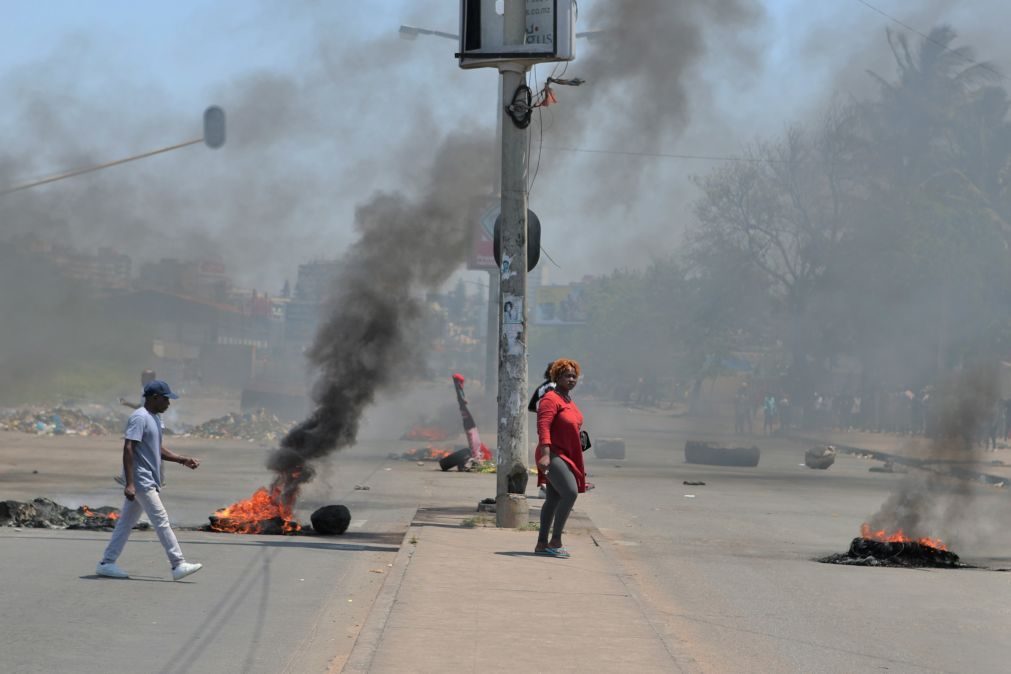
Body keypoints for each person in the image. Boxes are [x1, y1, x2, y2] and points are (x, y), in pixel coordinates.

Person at [96, 380, 204, 581]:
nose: (169, 404)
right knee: (161, 520)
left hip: (147, 478)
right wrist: (129, 483)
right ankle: (178, 564)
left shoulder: (155, 418)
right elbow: (129, 448)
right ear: (154, 398)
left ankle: (107, 563)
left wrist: (182, 460)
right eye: (166, 399)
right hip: (140, 479)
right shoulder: (139, 417)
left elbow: (157, 448)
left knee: (126, 523)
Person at [535, 359, 586, 558]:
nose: (572, 379)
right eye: (567, 376)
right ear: (557, 377)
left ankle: (541, 543)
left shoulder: (568, 400)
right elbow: (544, 427)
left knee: (554, 498)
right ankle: (555, 541)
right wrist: (546, 455)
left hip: (567, 454)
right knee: (570, 493)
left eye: (574, 376)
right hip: (552, 453)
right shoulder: (550, 398)